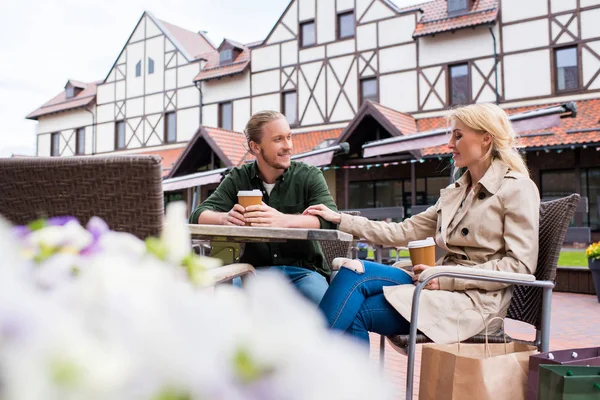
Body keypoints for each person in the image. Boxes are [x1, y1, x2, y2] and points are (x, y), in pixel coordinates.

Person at [304, 103, 540, 344]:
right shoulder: (456, 192)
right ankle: (312, 367)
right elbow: (403, 230)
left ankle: (303, 364)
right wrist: (342, 219)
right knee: (352, 271)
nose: (449, 144)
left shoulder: (517, 188)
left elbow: (520, 267)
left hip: (475, 305)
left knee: (358, 311)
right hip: (437, 283)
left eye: (458, 136)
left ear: (486, 139)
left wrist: (448, 277)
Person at [190, 110, 339, 305]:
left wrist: (283, 220)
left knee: (326, 311)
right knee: (223, 303)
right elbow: (197, 215)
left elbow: (331, 219)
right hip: (252, 273)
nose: (288, 146)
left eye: (289, 137)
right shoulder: (238, 178)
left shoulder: (309, 176)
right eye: (278, 139)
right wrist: (224, 218)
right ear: (255, 147)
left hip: (304, 273)